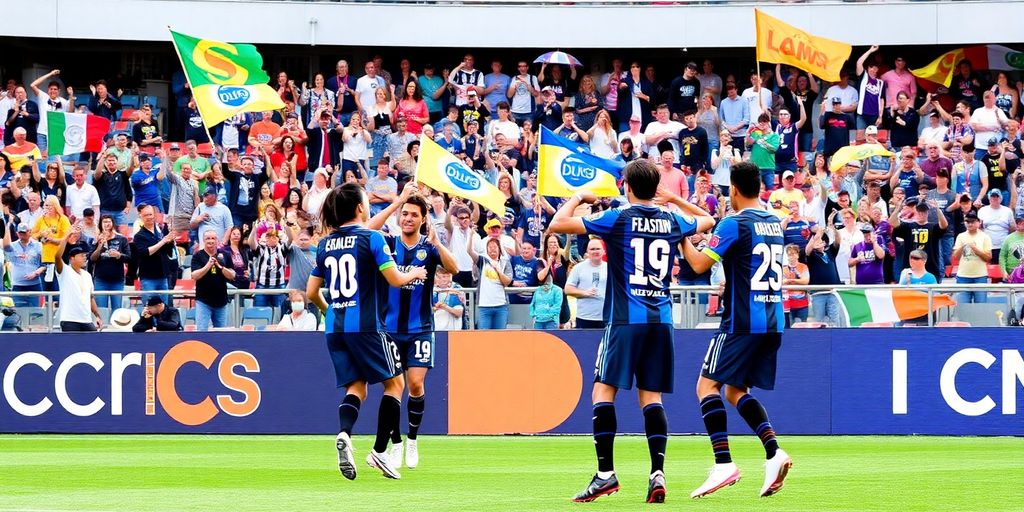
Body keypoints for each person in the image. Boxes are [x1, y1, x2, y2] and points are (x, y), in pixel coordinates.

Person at [549, 159, 712, 504]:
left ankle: (605, 475)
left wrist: (579, 196)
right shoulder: (671, 219)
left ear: (626, 186)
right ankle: (657, 473)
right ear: (655, 188)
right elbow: (709, 219)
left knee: (602, 392)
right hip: (662, 320)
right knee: (651, 398)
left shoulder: (618, 217)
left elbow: (556, 224)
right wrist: (674, 199)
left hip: (626, 320)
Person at [680, 160, 791, 499]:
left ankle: (723, 463)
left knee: (705, 386)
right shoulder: (774, 221)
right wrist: (674, 198)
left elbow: (698, 264)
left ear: (735, 190)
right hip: (773, 320)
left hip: (741, 322)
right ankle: (774, 452)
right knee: (732, 391)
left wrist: (682, 237)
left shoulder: (734, 223)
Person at [306, 183, 427, 481]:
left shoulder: (325, 243)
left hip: (335, 328)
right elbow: (396, 279)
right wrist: (416, 272)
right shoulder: (372, 238)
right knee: (395, 385)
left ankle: (345, 434)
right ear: (360, 207)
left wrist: (329, 309)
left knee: (356, 388)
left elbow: (311, 292)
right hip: (367, 326)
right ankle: (379, 452)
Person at [366, 186, 459, 469]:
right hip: (388, 329)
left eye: (412, 214)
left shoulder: (428, 249)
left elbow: (454, 268)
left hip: (420, 327)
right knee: (394, 387)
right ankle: (395, 444)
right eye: (404, 214)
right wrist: (397, 202)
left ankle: (413, 439)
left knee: (416, 384)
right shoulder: (386, 244)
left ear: (422, 219)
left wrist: (436, 242)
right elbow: (367, 228)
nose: (407, 218)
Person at [467, 219, 514, 329]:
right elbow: (469, 251)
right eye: (490, 247)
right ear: (487, 249)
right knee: (484, 338)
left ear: (499, 249)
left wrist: (498, 270)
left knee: (500, 338)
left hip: (501, 305)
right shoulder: (482, 261)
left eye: (495, 247)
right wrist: (470, 236)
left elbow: (507, 282)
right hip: (484, 306)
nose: (492, 249)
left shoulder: (505, 262)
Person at [53, 227, 102, 331]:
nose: (85, 258)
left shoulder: (87, 275)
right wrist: (67, 236)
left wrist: (97, 315)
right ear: (72, 258)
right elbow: (57, 257)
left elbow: (90, 297)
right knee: (71, 347)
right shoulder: (64, 271)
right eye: (81, 255)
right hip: (69, 319)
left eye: (85, 255)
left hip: (86, 320)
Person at [889, 198, 947, 281]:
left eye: (924, 211)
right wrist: (898, 208)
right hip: (911, 266)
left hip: (930, 266)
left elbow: (944, 225)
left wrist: (938, 210)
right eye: (919, 211)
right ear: (916, 212)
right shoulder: (908, 226)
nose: (921, 214)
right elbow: (892, 222)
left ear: (927, 213)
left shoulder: (933, 227)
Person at [191, 230, 236, 331]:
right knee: (202, 332)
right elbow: (194, 276)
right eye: (208, 238)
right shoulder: (197, 256)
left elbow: (232, 275)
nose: (211, 241)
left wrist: (221, 267)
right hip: (203, 301)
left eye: (213, 238)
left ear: (217, 240)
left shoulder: (225, 255)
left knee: (221, 334)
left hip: (221, 302)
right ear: (203, 240)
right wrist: (208, 265)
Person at [90, 214, 131, 311]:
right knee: (101, 309)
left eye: (109, 221)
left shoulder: (121, 239)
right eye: (104, 222)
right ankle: (101, 325)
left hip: (117, 279)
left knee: (117, 309)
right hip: (100, 279)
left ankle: (116, 325)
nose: (106, 224)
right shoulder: (96, 239)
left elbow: (129, 258)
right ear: (100, 224)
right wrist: (99, 246)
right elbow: (92, 259)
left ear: (113, 223)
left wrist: (118, 255)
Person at [564, 237, 608, 329]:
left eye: (598, 249)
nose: (595, 251)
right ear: (587, 252)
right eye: (592, 249)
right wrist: (585, 293)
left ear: (603, 251)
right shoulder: (578, 268)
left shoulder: (610, 268)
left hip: (605, 317)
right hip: (584, 317)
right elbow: (567, 289)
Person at [952, 212, 992, 304]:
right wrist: (963, 246)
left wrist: (975, 249)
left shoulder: (985, 237)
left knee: (981, 306)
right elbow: (955, 256)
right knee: (963, 306)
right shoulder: (960, 236)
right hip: (963, 276)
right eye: (967, 221)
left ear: (978, 222)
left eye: (972, 222)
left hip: (980, 276)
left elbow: (988, 257)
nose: (970, 224)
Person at [2, 222, 45, 307]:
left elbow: (45, 264)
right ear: (17, 233)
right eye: (20, 233)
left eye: (24, 233)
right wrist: (7, 225)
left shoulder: (38, 245)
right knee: (19, 312)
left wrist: (36, 273)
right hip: (18, 285)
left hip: (34, 285)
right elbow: (5, 246)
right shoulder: (13, 246)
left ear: (29, 232)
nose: (22, 235)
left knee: (35, 312)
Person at [781, 244, 809, 327]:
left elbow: (805, 281)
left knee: (802, 327)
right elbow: (782, 282)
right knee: (788, 327)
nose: (791, 257)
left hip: (802, 302)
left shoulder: (803, 267)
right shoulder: (784, 268)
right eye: (789, 254)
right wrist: (798, 281)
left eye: (793, 254)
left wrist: (791, 280)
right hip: (788, 303)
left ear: (797, 255)